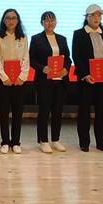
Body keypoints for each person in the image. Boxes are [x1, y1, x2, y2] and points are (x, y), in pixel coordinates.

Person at [72, 4, 103, 152]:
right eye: (93, 15)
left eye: (99, 15)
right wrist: (85, 74)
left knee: (101, 112)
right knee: (84, 111)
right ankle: (84, 142)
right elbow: (76, 56)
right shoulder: (79, 34)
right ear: (87, 17)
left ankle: (102, 143)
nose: (96, 18)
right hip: (86, 79)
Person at [30, 11, 71, 154]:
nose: (50, 23)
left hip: (60, 80)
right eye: (46, 20)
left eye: (52, 20)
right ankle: (43, 140)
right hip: (44, 81)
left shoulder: (62, 39)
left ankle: (55, 139)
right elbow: (32, 59)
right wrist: (42, 68)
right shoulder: (36, 39)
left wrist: (66, 69)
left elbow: (68, 59)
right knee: (44, 111)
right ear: (42, 23)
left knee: (58, 111)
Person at [0, 9, 30, 154]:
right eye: (8, 18)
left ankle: (15, 142)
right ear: (4, 20)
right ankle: (5, 142)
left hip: (19, 81)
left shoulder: (23, 38)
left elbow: (26, 58)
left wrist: (22, 77)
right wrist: (4, 77)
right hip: (4, 81)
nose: (11, 21)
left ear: (18, 20)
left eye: (14, 18)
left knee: (17, 112)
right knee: (3, 113)